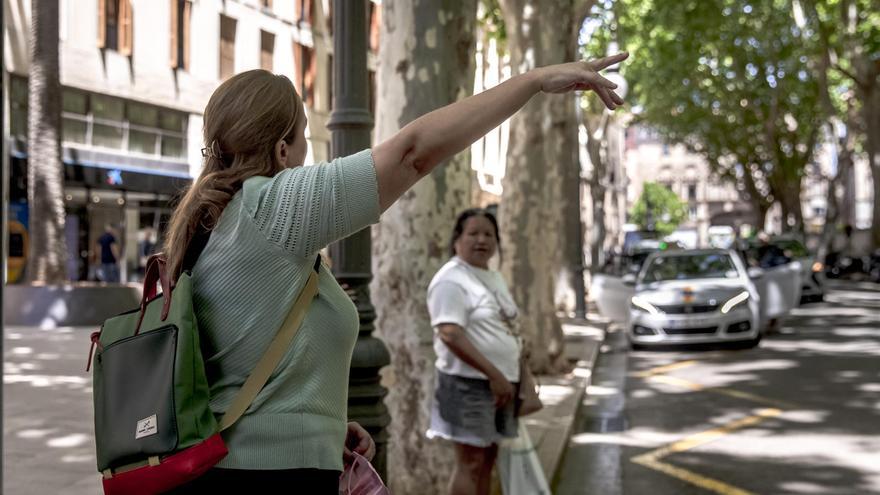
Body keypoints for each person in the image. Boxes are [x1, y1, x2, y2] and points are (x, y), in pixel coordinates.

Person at [162, 52, 626, 493]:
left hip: (233, 466)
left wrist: (323, 426)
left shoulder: (210, 221)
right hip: (272, 477)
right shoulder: (272, 205)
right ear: (283, 149)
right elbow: (413, 153)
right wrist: (533, 81)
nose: (307, 153)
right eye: (305, 136)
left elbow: (240, 359)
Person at [426, 209, 523, 495]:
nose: (482, 240)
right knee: (470, 462)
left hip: (502, 384)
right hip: (469, 385)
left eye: (488, 234)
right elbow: (450, 333)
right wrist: (493, 374)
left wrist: (521, 376)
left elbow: (510, 328)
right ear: (457, 240)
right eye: (473, 233)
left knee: (488, 460)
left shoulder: (493, 277)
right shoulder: (450, 280)